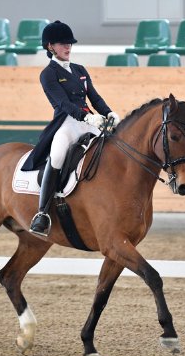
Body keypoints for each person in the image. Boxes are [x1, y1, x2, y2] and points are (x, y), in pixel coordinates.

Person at [21, 20, 120, 237]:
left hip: (90, 122)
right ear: (50, 47)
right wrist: (87, 117)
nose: (68, 47)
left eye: (69, 43)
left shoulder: (79, 70)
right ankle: (42, 214)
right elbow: (62, 104)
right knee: (56, 156)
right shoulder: (48, 74)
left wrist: (109, 112)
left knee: (114, 148)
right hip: (67, 123)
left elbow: (94, 97)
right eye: (62, 44)